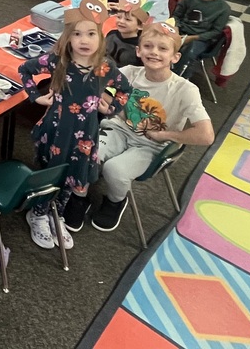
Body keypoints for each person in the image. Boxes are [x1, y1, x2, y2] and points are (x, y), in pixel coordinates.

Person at [17, 0, 132, 244]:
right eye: (77, 34)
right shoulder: (58, 61)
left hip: (85, 136)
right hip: (56, 131)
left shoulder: (106, 68)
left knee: (75, 178)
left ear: (101, 38)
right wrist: (35, 96)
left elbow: (125, 90)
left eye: (91, 33)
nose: (84, 40)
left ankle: (57, 213)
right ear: (67, 38)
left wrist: (110, 107)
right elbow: (25, 69)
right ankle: (38, 213)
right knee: (50, 174)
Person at [92, 22, 214, 231]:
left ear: (175, 57)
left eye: (163, 48)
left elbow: (206, 135)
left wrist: (164, 135)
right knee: (88, 152)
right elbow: (100, 87)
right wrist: (110, 107)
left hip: (150, 145)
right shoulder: (129, 72)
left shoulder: (185, 90)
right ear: (138, 51)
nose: (154, 53)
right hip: (119, 129)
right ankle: (79, 195)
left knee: (115, 169)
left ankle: (115, 201)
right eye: (148, 46)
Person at [172, 0, 232, 77]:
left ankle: (178, 80)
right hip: (179, 32)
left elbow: (215, 32)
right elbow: (176, 16)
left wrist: (192, 38)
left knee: (189, 52)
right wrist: (176, 30)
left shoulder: (224, 8)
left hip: (200, 39)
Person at [104, 0, 149, 67]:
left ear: (140, 26)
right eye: (118, 17)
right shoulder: (111, 34)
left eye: (127, 19)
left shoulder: (141, 45)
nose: (121, 21)